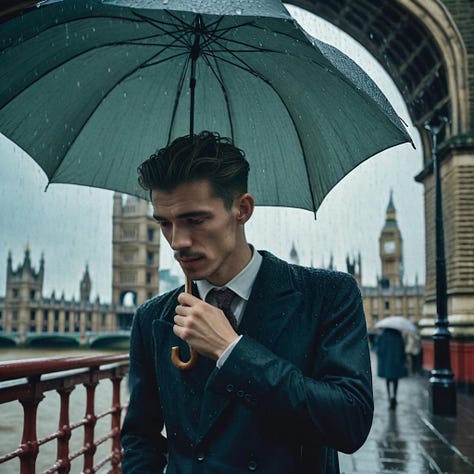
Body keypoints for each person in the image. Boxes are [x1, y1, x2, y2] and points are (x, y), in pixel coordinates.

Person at [121, 131, 374, 473]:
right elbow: (141, 439)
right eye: (165, 223)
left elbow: (349, 423)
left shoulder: (328, 295)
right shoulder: (153, 318)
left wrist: (232, 352)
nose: (177, 241)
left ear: (242, 209)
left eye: (195, 219)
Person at [375, 328, 406, 410]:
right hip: (396, 362)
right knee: (395, 380)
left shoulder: (383, 336)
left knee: (388, 380)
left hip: (386, 363)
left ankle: (389, 397)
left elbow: (378, 349)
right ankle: (394, 397)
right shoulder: (398, 336)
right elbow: (403, 350)